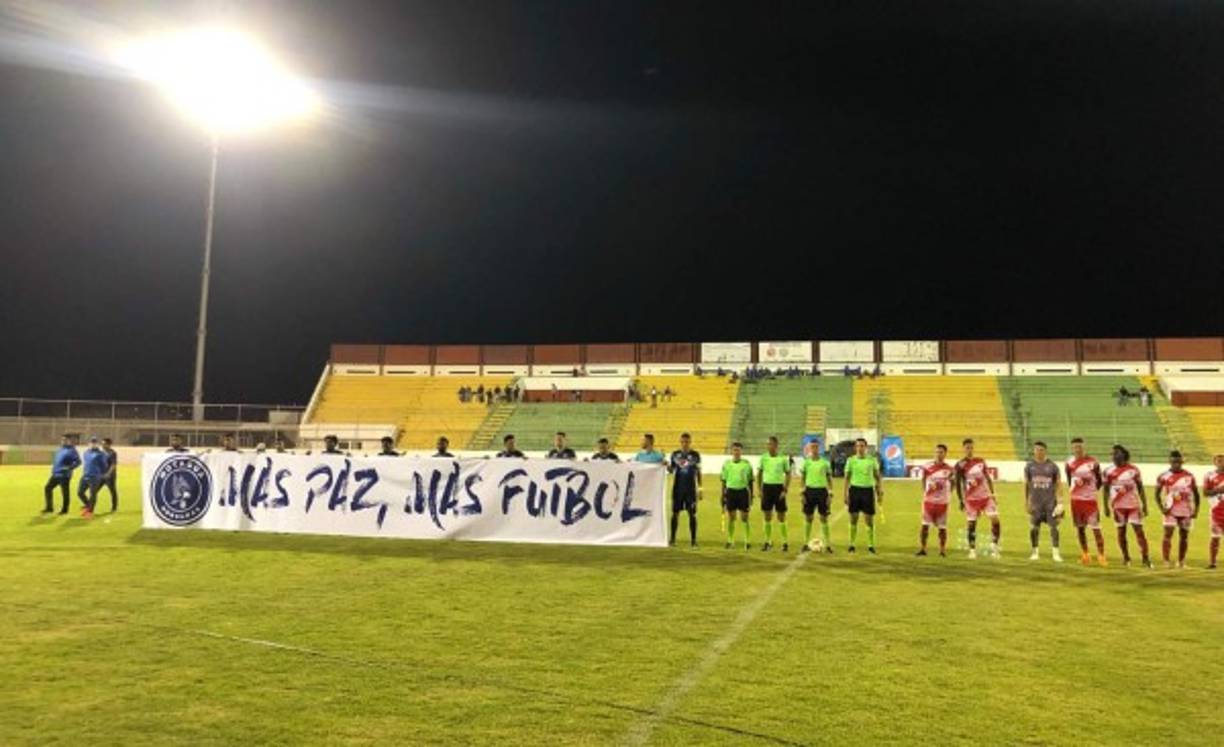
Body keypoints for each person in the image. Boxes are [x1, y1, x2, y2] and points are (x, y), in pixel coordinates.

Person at [1103, 445, 1152, 567]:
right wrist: (1105, 506)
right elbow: (1105, 490)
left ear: (1123, 455)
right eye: (1112, 454)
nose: (1113, 456)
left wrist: (1145, 505)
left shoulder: (1133, 470)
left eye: (1116, 454)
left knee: (1139, 531)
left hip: (1133, 506)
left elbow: (1140, 488)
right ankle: (1126, 558)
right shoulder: (1108, 471)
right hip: (1118, 507)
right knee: (1121, 532)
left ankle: (1145, 559)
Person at [1065, 437, 1108, 566]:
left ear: (1084, 447)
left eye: (1080, 447)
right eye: (1075, 447)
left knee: (1096, 528)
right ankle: (1085, 554)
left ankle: (1101, 555)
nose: (1078, 449)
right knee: (1080, 529)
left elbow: (1099, 481)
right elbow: (1069, 480)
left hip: (1090, 501)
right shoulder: (1069, 462)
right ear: (1072, 448)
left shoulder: (1093, 462)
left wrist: (1090, 491)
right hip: (1076, 501)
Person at [1155, 450, 1200, 569]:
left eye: (1178, 462)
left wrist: (1196, 510)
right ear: (1169, 461)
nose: (1176, 464)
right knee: (1168, 534)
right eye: (1173, 462)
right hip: (1170, 510)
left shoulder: (1189, 476)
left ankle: (1181, 561)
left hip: (1186, 510)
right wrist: (1161, 508)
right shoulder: (1163, 476)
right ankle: (1166, 561)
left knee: (1184, 536)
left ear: (1181, 462)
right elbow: (1156, 494)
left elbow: (1196, 494)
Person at [955, 438, 999, 559]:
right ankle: (972, 550)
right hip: (971, 499)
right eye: (967, 447)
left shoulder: (980, 461)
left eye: (971, 447)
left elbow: (988, 478)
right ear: (963, 449)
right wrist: (960, 500)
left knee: (995, 519)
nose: (969, 449)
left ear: (973, 448)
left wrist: (993, 494)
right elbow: (958, 484)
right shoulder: (960, 465)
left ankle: (994, 547)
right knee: (971, 525)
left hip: (985, 497)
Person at [1024, 441, 1064, 562]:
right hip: (1036, 503)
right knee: (1034, 528)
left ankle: (1056, 553)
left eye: (1041, 450)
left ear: (1045, 451)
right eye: (1036, 450)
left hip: (1050, 503)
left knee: (1054, 528)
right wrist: (1026, 502)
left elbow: (1058, 484)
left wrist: (1060, 501)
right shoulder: (1029, 466)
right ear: (1034, 451)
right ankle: (1035, 552)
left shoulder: (1053, 466)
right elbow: (1026, 484)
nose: (1039, 452)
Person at [843, 438, 883, 554]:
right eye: (858, 446)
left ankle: (870, 545)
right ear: (855, 448)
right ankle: (851, 544)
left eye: (862, 446)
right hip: (854, 490)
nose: (860, 448)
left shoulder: (872, 460)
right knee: (853, 518)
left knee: (869, 520)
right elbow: (847, 478)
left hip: (868, 491)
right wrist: (845, 494)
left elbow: (877, 476)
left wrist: (879, 491)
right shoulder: (851, 460)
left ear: (866, 447)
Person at [916, 444, 954, 557]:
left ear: (945, 454)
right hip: (929, 502)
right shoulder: (927, 466)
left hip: (943, 503)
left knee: (942, 528)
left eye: (941, 452)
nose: (939, 454)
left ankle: (942, 550)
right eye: (937, 452)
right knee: (924, 526)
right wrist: (926, 492)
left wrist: (948, 493)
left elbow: (953, 483)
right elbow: (923, 480)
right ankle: (923, 549)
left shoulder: (949, 469)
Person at [757, 436, 793, 552]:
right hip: (767, 488)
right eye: (768, 444)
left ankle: (784, 542)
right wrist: (759, 489)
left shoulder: (783, 459)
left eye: (771, 444)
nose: (769, 446)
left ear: (776, 445)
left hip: (778, 488)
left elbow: (788, 474)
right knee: (767, 516)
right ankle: (768, 542)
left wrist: (785, 489)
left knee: (781, 516)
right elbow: (759, 474)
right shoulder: (763, 458)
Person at [668, 433, 702, 547]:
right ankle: (672, 539)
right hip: (678, 488)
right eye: (682, 442)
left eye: (687, 442)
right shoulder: (674, 454)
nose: (684, 444)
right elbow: (671, 470)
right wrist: (666, 465)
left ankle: (693, 540)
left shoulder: (695, 455)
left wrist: (700, 488)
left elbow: (698, 471)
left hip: (690, 489)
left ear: (690, 442)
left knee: (692, 514)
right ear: (680, 442)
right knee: (675, 513)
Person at [800, 441, 833, 553]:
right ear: (809, 449)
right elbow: (803, 478)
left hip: (822, 492)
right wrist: (802, 493)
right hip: (809, 491)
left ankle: (828, 545)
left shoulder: (825, 463)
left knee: (824, 518)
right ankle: (805, 543)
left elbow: (829, 479)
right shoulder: (806, 463)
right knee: (808, 517)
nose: (814, 449)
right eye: (812, 447)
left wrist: (830, 493)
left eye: (816, 447)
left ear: (819, 448)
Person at [721, 442, 754, 549]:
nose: (736, 452)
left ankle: (747, 541)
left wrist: (751, 495)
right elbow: (724, 481)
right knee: (731, 517)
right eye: (734, 450)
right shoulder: (727, 464)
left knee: (744, 517)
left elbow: (750, 481)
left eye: (738, 450)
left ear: (741, 451)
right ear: (731, 451)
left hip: (743, 492)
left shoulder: (747, 464)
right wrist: (722, 495)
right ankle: (730, 541)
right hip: (731, 492)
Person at [43, 434, 80, 515]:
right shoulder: (60, 449)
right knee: (47, 488)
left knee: (65, 492)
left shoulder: (72, 450)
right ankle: (49, 508)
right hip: (56, 474)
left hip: (64, 475)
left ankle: (64, 510)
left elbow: (78, 462)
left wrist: (69, 468)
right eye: (62, 440)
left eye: (65, 440)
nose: (63, 441)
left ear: (69, 441)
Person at [77, 437, 108, 518]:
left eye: (94, 442)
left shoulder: (101, 454)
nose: (93, 444)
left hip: (94, 477)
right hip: (85, 475)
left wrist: (100, 474)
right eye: (91, 442)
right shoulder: (86, 452)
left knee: (92, 494)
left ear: (97, 444)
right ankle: (88, 505)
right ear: (89, 443)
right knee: (80, 492)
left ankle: (90, 512)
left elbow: (104, 466)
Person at [1203, 453, 1224, 569]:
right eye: (1219, 461)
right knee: (1215, 537)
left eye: (1223, 461)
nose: (1221, 463)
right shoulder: (1209, 476)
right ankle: (1212, 562)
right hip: (1216, 511)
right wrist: (1219, 490)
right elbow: (1205, 493)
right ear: (1214, 462)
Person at [100, 437, 119, 512]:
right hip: (101, 476)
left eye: (104, 444)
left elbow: (113, 465)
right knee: (94, 491)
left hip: (110, 476)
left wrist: (108, 474)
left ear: (109, 444)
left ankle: (114, 508)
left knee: (112, 491)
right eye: (102, 444)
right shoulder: (101, 453)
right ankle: (89, 507)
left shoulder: (112, 453)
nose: (102, 445)